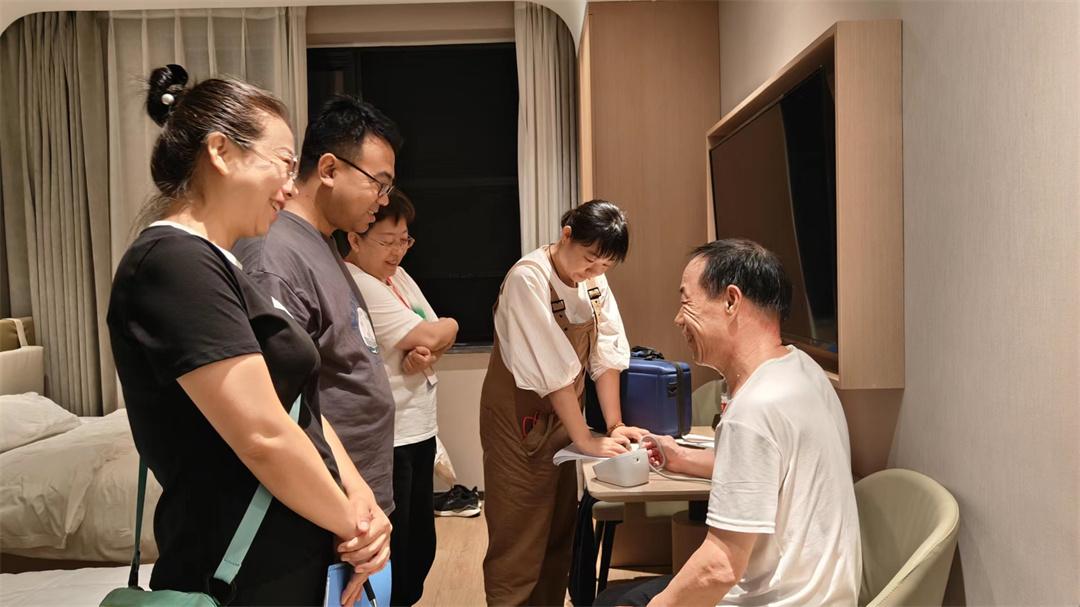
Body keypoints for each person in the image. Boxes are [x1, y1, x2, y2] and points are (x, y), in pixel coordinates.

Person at [107, 65, 385, 605]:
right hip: (238, 574)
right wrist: (354, 527)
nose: (291, 186)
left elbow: (297, 408)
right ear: (221, 152)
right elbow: (263, 436)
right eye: (283, 163)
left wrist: (360, 498)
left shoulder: (223, 264)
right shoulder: (173, 263)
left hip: (284, 560)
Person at [595, 238, 861, 606]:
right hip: (825, 595)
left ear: (731, 301)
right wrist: (682, 459)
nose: (678, 318)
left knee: (617, 602)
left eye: (686, 301)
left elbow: (720, 566)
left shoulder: (754, 408)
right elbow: (766, 471)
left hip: (781, 600)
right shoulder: (803, 370)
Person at [233, 96, 401, 584]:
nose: (383, 200)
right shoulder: (275, 256)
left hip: (357, 508)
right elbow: (279, 408)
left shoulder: (321, 243)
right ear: (328, 169)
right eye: (378, 184)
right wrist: (345, 513)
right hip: (329, 514)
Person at [480, 200, 649, 606]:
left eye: (605, 265)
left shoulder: (594, 282)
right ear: (567, 234)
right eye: (589, 259)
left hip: (562, 422)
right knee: (519, 536)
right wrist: (586, 440)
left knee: (559, 533)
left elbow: (606, 354)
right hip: (519, 424)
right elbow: (554, 372)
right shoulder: (528, 278)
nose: (594, 271)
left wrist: (613, 425)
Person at [336, 190, 458, 606]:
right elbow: (434, 331)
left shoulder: (398, 277)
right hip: (389, 436)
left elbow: (437, 334)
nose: (398, 251)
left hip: (418, 427)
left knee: (419, 543)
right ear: (355, 239)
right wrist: (438, 335)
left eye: (404, 240)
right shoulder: (356, 282)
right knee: (397, 549)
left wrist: (432, 346)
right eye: (387, 241)